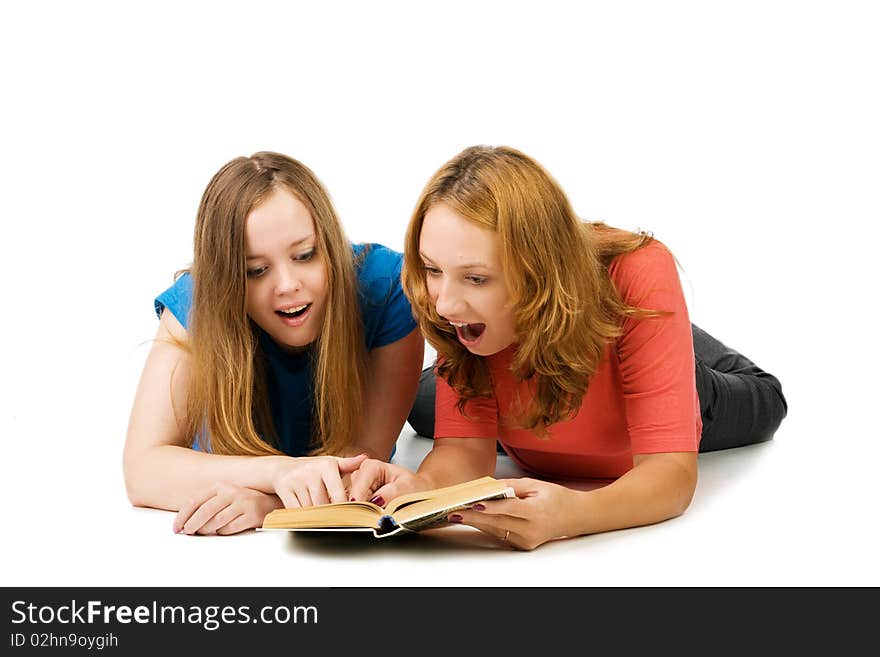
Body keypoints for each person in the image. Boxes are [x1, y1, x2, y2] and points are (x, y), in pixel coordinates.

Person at [350, 145, 787, 550]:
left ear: (537, 274)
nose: (443, 303)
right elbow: (463, 451)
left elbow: (670, 475)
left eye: (476, 278)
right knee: (423, 406)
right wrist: (422, 488)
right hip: (529, 356)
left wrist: (572, 514)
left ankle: (662, 332)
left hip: (632, 356)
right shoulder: (459, 314)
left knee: (763, 398)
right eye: (432, 270)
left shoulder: (637, 272)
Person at [124, 152, 423, 535]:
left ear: (329, 244)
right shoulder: (196, 302)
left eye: (305, 255)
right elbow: (142, 470)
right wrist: (279, 473)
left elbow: (360, 467)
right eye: (256, 271)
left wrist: (270, 506)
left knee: (431, 403)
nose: (287, 285)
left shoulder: (386, 288)